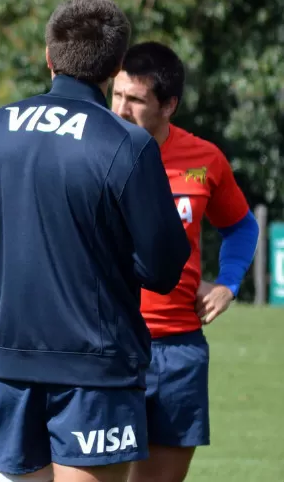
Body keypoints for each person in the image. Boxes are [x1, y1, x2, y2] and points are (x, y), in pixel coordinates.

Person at [0, 0, 191, 482]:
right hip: (96, 374)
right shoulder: (128, 144)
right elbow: (164, 268)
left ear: (48, 55)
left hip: (11, 368)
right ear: (117, 65)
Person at [110, 42, 259, 482]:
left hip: (179, 350)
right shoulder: (92, 151)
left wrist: (228, 282)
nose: (120, 109)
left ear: (169, 105)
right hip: (109, 346)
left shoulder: (205, 159)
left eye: (135, 99)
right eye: (116, 94)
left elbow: (242, 226)